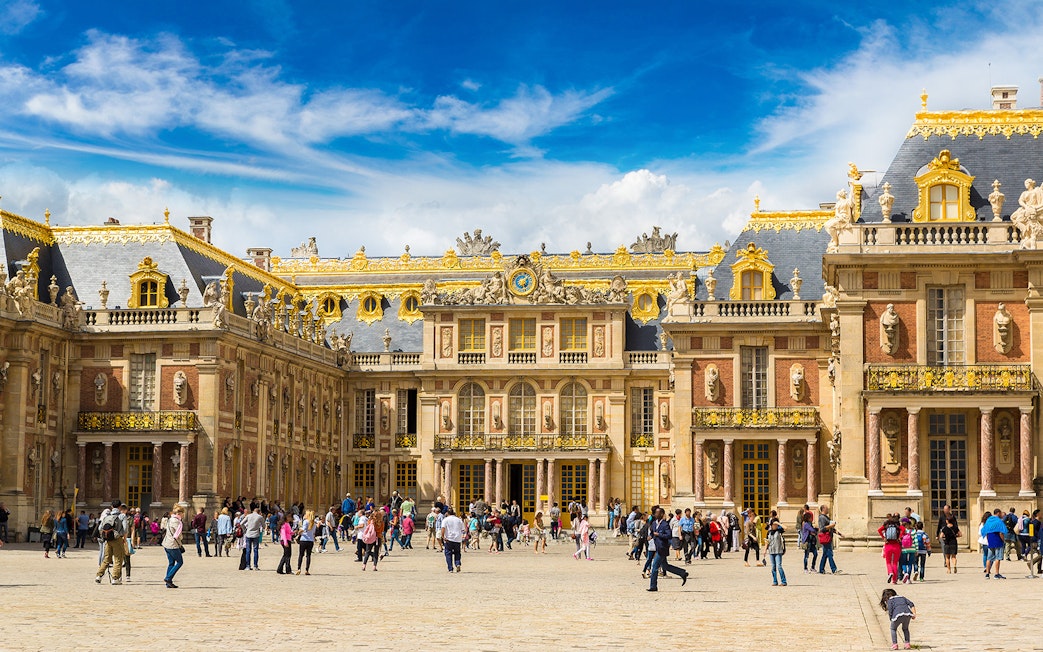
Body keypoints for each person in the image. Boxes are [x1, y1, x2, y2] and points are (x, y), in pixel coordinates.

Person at [647, 507, 688, 592]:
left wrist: (659, 535)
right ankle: (682, 573)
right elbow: (652, 533)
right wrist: (650, 536)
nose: (656, 514)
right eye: (655, 513)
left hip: (662, 548)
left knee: (654, 567)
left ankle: (653, 586)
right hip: (657, 547)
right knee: (665, 566)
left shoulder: (665, 524)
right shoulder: (654, 523)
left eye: (657, 513)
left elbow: (669, 535)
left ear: (662, 514)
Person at [95, 500, 127, 585]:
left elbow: (100, 528)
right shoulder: (122, 516)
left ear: (112, 507)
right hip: (117, 539)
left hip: (108, 540)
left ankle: (99, 575)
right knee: (118, 559)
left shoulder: (106, 516)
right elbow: (125, 529)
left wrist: (106, 534)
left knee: (106, 558)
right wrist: (120, 536)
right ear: (120, 507)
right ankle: (115, 578)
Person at [162, 505, 185, 588]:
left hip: (166, 543)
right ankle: (168, 578)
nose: (183, 515)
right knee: (180, 562)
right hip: (173, 545)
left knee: (171, 563)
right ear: (179, 513)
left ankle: (168, 583)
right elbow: (178, 535)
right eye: (182, 513)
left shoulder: (170, 519)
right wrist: (181, 539)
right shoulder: (177, 522)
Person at [878, 514, 904, 584]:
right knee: (895, 563)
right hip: (896, 545)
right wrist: (900, 537)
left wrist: (884, 538)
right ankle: (894, 580)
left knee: (888, 562)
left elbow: (879, 530)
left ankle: (890, 572)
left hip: (888, 545)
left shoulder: (886, 525)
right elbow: (903, 529)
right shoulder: (897, 526)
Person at [983, 508, 1008, 579]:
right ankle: (996, 574)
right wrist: (1003, 540)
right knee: (998, 558)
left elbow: (986, 531)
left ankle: (987, 574)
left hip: (990, 541)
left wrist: (989, 540)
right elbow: (1001, 532)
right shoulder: (999, 521)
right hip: (998, 541)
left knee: (989, 558)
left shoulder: (988, 520)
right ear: (998, 513)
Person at [441, 507, 465, 573]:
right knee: (457, 552)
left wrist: (442, 536)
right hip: (457, 538)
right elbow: (463, 529)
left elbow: (443, 528)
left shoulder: (445, 520)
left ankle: (450, 568)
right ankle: (457, 563)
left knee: (448, 553)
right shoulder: (459, 520)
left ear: (447, 513)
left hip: (449, 538)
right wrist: (462, 536)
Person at [765, 517, 787, 586]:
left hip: (778, 551)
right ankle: (775, 581)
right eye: (774, 524)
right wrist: (765, 550)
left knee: (779, 566)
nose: (775, 526)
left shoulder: (779, 531)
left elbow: (786, 528)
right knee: (773, 567)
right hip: (771, 551)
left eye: (776, 525)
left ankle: (784, 581)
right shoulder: (769, 532)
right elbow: (767, 541)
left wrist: (778, 523)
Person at [242, 506, 264, 571]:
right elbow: (264, 525)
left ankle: (248, 566)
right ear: (259, 512)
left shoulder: (248, 516)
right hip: (256, 534)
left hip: (248, 534)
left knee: (248, 550)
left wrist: (245, 529)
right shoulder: (260, 517)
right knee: (255, 550)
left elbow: (241, 523)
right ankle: (255, 566)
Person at [296, 509, 316, 575]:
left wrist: (298, 533)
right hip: (310, 540)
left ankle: (299, 568)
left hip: (304, 539)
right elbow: (313, 532)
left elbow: (303, 529)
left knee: (301, 555)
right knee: (308, 555)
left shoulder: (306, 521)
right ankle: (307, 570)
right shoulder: (314, 523)